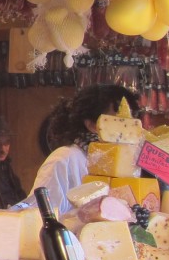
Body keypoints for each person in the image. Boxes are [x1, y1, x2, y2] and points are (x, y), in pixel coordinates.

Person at [23, 84, 141, 215]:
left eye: (132, 120)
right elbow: (39, 214)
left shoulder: (132, 163)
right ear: (92, 125)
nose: (129, 127)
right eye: (120, 120)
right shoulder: (65, 159)